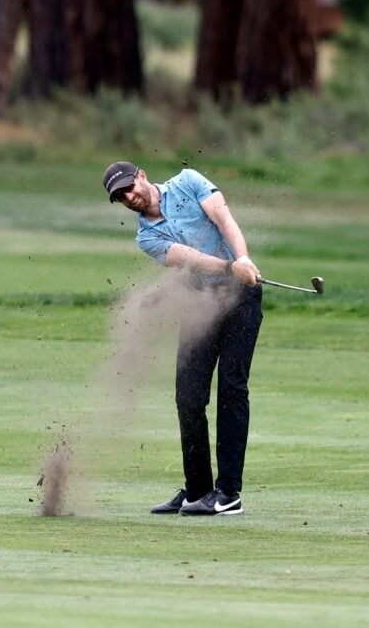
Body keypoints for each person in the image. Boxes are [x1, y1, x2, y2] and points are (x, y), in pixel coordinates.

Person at [103, 161, 262, 516]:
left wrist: (243, 259)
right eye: (120, 197)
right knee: (188, 397)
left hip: (240, 299)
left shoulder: (189, 181)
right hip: (200, 302)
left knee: (233, 388)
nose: (129, 197)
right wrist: (227, 267)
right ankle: (197, 491)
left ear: (142, 175)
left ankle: (229, 493)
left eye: (129, 187)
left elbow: (225, 220)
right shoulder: (146, 237)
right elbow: (187, 257)